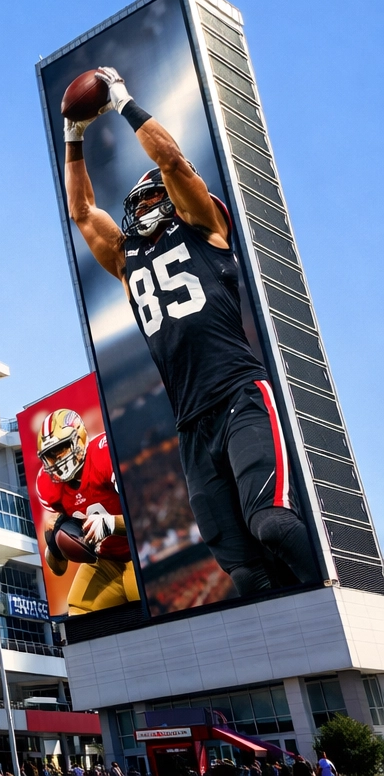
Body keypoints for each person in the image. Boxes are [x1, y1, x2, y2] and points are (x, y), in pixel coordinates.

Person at [64, 68, 320, 596]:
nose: (142, 205)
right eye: (136, 202)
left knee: (270, 522)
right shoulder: (126, 258)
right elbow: (83, 210)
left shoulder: (204, 228)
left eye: (153, 195)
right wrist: (74, 135)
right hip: (191, 423)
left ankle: (354, 599)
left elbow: (171, 160)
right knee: (242, 567)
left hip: (239, 396)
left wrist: (123, 102)